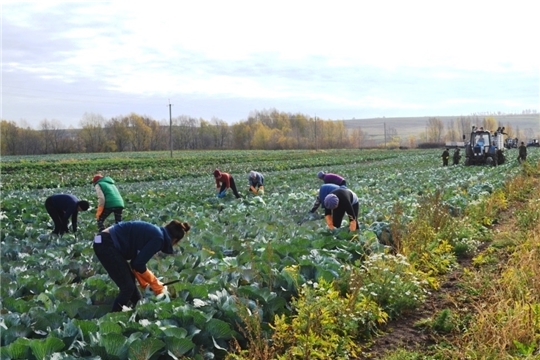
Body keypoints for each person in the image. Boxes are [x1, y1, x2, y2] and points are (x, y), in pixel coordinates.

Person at [93, 220, 190, 312]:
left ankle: (138, 306)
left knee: (130, 281)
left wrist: (144, 282)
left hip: (100, 239)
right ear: (175, 240)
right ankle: (113, 317)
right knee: (127, 288)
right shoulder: (158, 238)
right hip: (104, 241)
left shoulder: (157, 233)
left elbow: (135, 263)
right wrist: (154, 282)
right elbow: (138, 264)